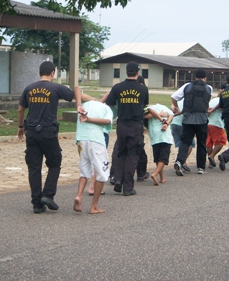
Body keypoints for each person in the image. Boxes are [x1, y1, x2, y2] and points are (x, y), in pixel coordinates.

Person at [17, 61, 88, 213]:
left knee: (34, 167)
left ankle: (37, 203)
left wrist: (20, 127)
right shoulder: (56, 87)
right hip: (48, 132)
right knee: (55, 163)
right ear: (52, 73)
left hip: (31, 132)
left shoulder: (29, 88)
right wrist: (79, 103)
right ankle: (48, 195)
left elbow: (20, 109)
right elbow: (75, 92)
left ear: (39, 73)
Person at [105, 61, 149, 196]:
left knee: (121, 153)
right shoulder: (142, 89)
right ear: (138, 72)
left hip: (122, 125)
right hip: (136, 126)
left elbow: (110, 102)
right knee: (132, 155)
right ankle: (128, 187)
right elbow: (145, 104)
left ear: (126, 72)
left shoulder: (118, 87)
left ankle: (118, 179)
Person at [73, 100, 112, 214]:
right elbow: (107, 121)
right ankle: (93, 206)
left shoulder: (82, 106)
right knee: (102, 173)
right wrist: (89, 119)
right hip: (96, 141)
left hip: (81, 140)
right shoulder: (106, 109)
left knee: (84, 170)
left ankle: (79, 196)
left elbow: (77, 89)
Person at [172, 69, 212, 176]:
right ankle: (201, 167)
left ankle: (179, 161)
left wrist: (175, 107)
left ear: (195, 77)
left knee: (186, 142)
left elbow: (174, 97)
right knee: (201, 143)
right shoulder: (209, 88)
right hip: (202, 119)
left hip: (188, 119)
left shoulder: (187, 86)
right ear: (205, 78)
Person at [144, 104, 174, 185]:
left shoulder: (147, 109)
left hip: (154, 135)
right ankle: (155, 173)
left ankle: (162, 177)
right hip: (165, 136)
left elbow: (144, 116)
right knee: (164, 158)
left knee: (158, 158)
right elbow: (171, 114)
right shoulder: (164, 107)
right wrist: (166, 123)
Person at [170, 99, 195, 174]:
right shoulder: (189, 101)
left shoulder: (178, 101)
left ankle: (182, 162)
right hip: (183, 124)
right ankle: (181, 162)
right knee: (190, 143)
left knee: (181, 145)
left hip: (174, 124)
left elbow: (172, 106)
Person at [206, 90, 226, 169]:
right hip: (217, 123)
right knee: (221, 142)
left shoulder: (212, 100)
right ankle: (212, 156)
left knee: (209, 143)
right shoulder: (222, 101)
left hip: (208, 123)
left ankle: (211, 162)